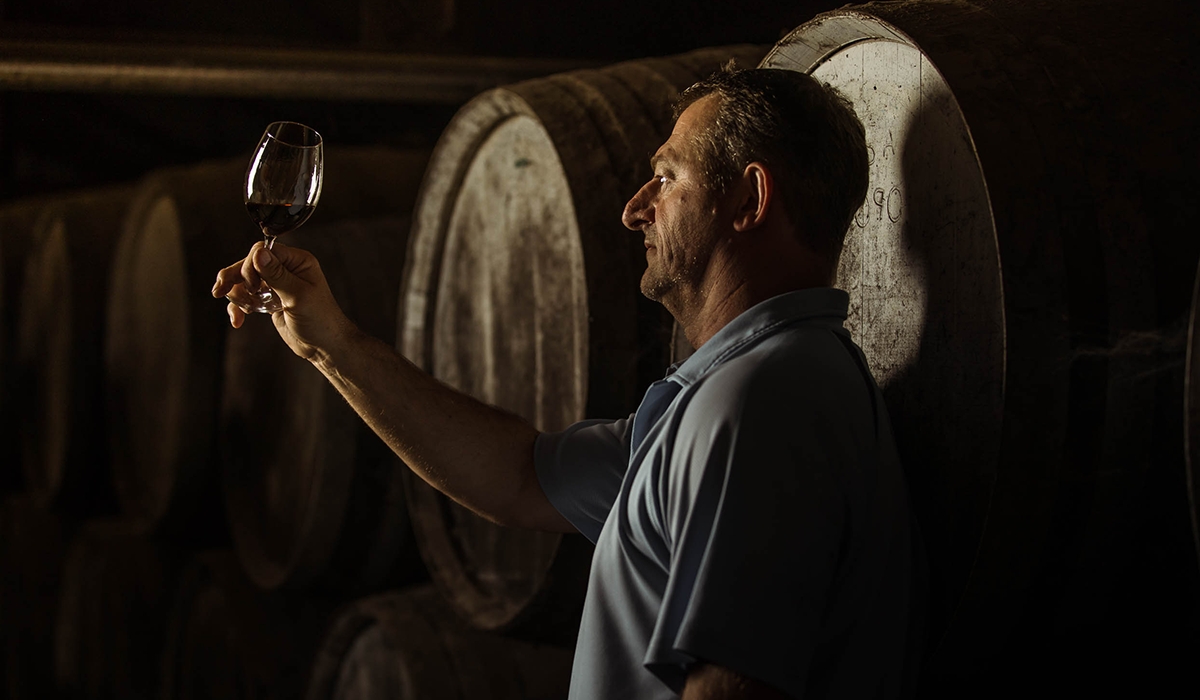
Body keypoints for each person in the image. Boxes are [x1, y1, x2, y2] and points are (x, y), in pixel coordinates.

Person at [214, 67, 926, 699]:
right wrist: (330, 343)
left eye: (669, 176)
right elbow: (518, 475)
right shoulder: (733, 396)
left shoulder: (765, 404)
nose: (634, 207)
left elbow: (732, 684)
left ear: (748, 199)